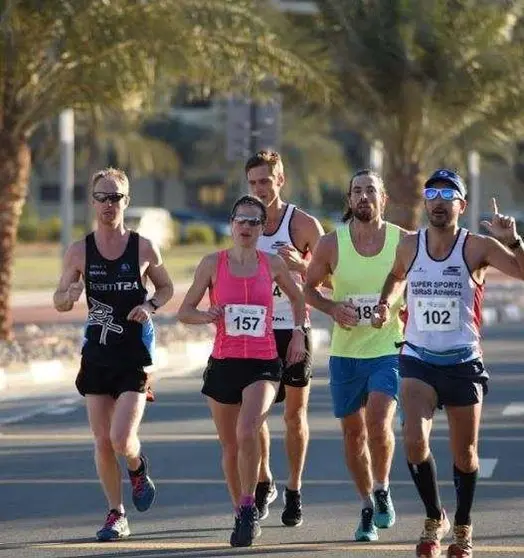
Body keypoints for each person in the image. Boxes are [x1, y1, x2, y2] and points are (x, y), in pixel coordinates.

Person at [372, 169, 524, 557]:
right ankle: (433, 516)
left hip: (462, 363)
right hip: (418, 359)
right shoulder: (410, 245)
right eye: (432, 194)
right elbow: (394, 276)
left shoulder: (478, 248)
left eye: (447, 194)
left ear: (462, 204)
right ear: (425, 203)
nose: (438, 201)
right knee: (413, 441)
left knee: (465, 455)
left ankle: (463, 525)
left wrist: (514, 240)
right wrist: (387, 301)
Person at [177, 194, 307, 547]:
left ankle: (249, 505)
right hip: (224, 362)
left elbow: (298, 298)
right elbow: (184, 311)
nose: (246, 227)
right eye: (241, 220)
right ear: (232, 224)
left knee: (249, 429)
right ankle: (239, 511)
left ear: (262, 228)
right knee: (230, 445)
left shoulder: (273, 264)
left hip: (263, 362)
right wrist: (206, 315)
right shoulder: (212, 264)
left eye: (254, 222)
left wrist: (298, 333)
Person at [53, 168, 174, 542]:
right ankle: (116, 514)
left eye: (116, 197)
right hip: (97, 355)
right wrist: (68, 297)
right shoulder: (79, 251)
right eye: (102, 197)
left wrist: (151, 304)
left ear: (127, 200)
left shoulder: (143, 246)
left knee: (122, 439)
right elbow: (59, 298)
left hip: (133, 355)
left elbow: (167, 287)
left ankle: (137, 467)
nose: (109, 204)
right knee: (102, 441)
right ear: (92, 201)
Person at [304, 169, 408, 541]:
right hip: (346, 353)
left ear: (384, 199)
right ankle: (366, 505)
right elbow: (308, 289)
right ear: (349, 200)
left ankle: (382, 488)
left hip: (388, 348)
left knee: (379, 423)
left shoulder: (403, 241)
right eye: (357, 191)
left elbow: (415, 283)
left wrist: (394, 306)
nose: (364, 197)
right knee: (352, 435)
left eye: (371, 191)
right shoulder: (332, 244)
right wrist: (332, 309)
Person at [245, 150, 324, 526]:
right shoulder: (244, 222)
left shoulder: (304, 225)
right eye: (254, 182)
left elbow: (330, 279)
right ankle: (264, 483)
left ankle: (294, 488)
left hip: (293, 328)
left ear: (281, 180)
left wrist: (302, 265)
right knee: (256, 414)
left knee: (294, 416)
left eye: (266, 180)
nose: (261, 188)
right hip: (255, 331)